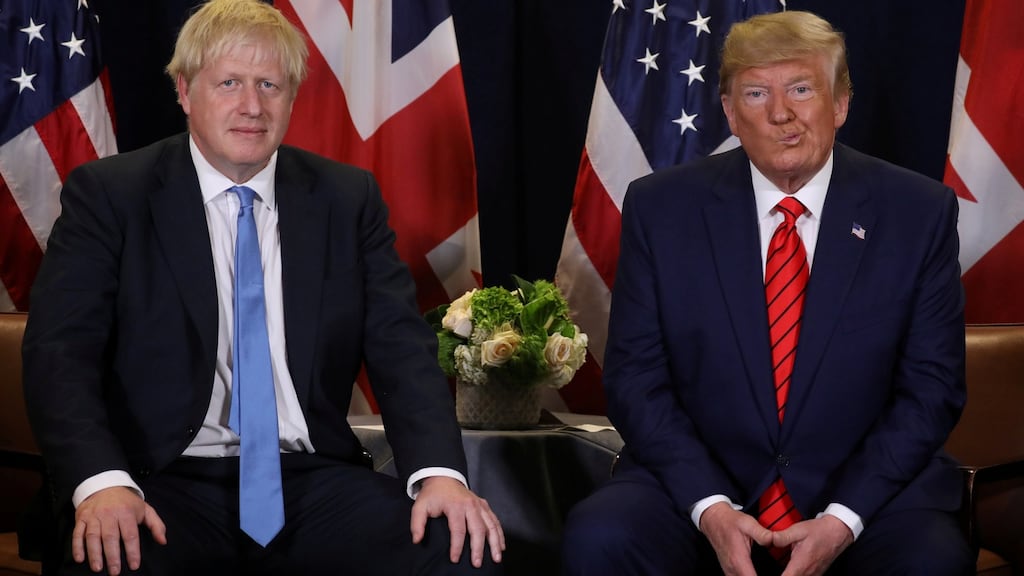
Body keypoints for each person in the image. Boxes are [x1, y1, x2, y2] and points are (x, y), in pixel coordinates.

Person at [21, 0, 504, 574]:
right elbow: (60, 357)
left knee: (459, 552)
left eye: (270, 85)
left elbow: (402, 350)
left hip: (310, 478)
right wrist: (100, 483)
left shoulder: (345, 200)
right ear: (184, 90)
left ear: (292, 97)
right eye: (229, 82)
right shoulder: (109, 196)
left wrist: (440, 477)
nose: (252, 106)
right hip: (155, 479)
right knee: (110, 559)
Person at [562, 10, 973, 576]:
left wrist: (843, 518)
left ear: (841, 103)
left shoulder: (918, 212)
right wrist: (709, 507)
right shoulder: (661, 209)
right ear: (730, 112)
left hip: (866, 494)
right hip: (701, 483)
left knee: (931, 560)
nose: (782, 114)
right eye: (757, 94)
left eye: (802, 89)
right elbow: (636, 378)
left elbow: (932, 388)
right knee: (601, 536)